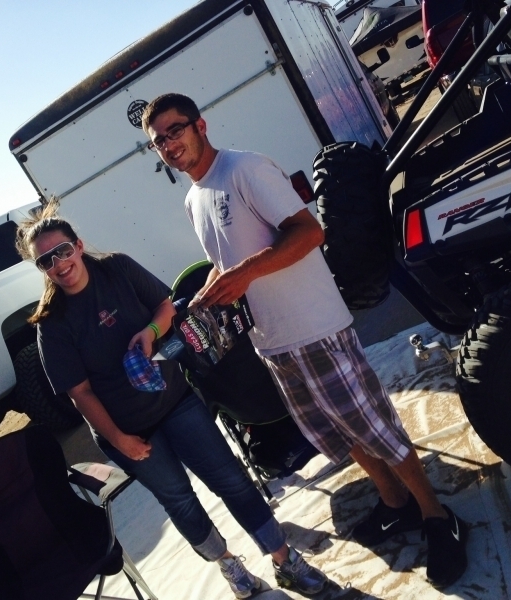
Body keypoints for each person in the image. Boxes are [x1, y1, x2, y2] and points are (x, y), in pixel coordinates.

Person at [142, 93, 469, 588]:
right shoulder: (194, 198)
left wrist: (244, 274)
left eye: (175, 130)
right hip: (272, 342)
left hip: (315, 327)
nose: (169, 145)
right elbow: (227, 258)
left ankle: (437, 516)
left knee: (375, 427)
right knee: (341, 433)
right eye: (158, 141)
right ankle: (395, 502)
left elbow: (308, 232)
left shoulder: (244, 169)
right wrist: (211, 290)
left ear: (200, 125)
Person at [15, 204, 327, 599]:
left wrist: (150, 332)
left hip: (176, 400)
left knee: (231, 480)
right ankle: (229, 565)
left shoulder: (117, 268)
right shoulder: (52, 324)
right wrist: (120, 440)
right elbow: (81, 394)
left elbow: (165, 306)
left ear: (77, 245)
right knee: (180, 501)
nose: (58, 264)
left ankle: (285, 559)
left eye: (62, 251)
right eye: (45, 260)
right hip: (127, 431)